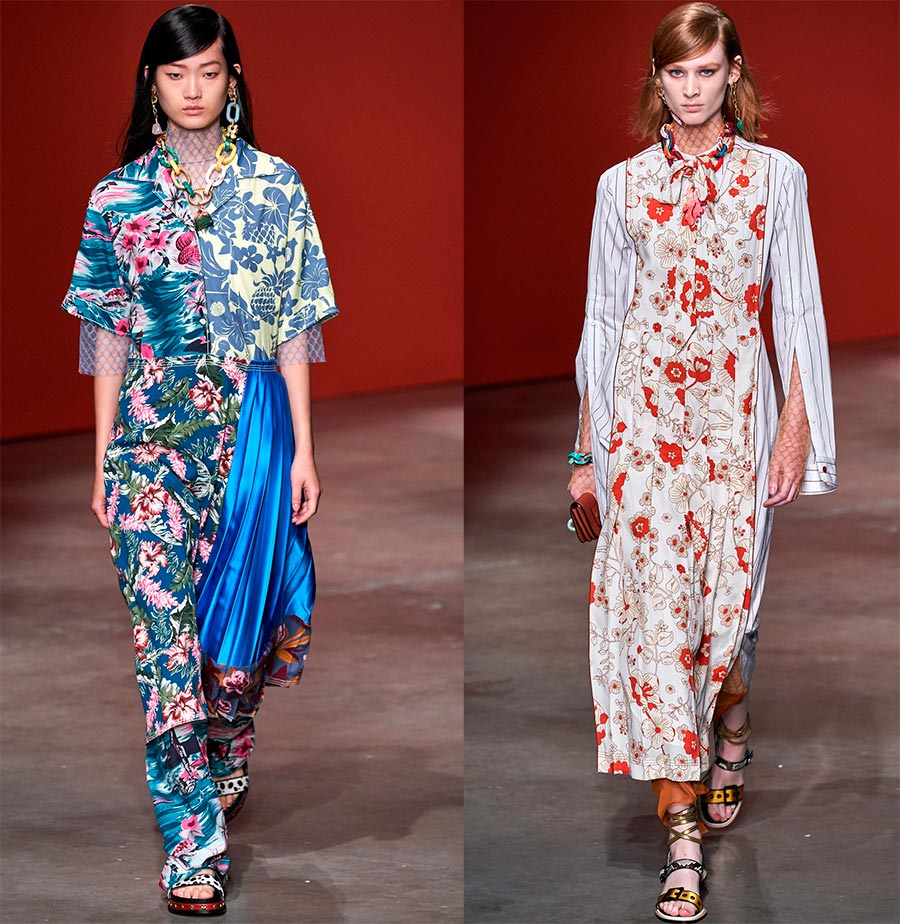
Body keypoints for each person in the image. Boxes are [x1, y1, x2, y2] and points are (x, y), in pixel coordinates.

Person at [61, 4, 338, 915]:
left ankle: (230, 737)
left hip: (250, 434)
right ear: (152, 83)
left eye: (209, 72)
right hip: (149, 445)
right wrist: (102, 456)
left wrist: (302, 449)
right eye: (176, 73)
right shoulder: (117, 197)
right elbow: (106, 330)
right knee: (164, 641)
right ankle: (192, 843)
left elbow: (296, 324)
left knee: (234, 641)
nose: (192, 89)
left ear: (233, 79)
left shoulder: (276, 186)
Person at [567, 3, 836, 920]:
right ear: (658, 80)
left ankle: (733, 716)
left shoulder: (776, 177)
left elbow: (797, 310)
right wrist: (585, 452)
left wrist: (796, 429)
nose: (692, 88)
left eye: (707, 70)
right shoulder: (620, 187)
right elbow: (603, 323)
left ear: (734, 74)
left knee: (730, 612)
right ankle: (680, 838)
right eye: (676, 73)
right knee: (657, 623)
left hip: (736, 420)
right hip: (642, 431)